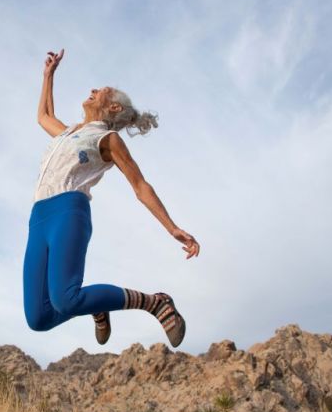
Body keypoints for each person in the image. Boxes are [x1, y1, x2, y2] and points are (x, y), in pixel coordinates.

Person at [22, 48, 200, 348]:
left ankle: (155, 303)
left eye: (101, 91)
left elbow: (140, 185)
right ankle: (97, 305)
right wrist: (49, 75)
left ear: (114, 108)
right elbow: (43, 116)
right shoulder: (66, 133)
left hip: (69, 211)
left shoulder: (107, 139)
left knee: (66, 299)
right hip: (38, 218)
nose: (92, 90)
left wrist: (171, 227)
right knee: (38, 318)